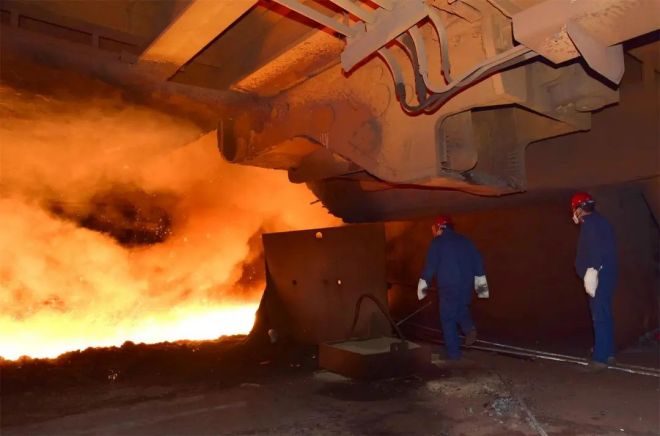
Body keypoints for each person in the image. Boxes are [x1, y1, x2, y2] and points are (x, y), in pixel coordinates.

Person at [417, 216, 489, 360]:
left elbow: (431, 266)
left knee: (448, 318)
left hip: (448, 285)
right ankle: (468, 328)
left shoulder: (437, 243)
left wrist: (423, 286)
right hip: (466, 285)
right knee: (460, 308)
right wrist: (481, 287)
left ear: (439, 227)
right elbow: (477, 261)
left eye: (434, 228)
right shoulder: (465, 241)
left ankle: (453, 355)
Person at [571, 192, 618, 369]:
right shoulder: (600, 221)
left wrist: (592, 271)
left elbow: (595, 249)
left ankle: (600, 358)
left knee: (599, 315)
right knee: (605, 313)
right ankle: (608, 352)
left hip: (598, 275)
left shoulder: (590, 224)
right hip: (606, 274)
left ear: (579, 209)